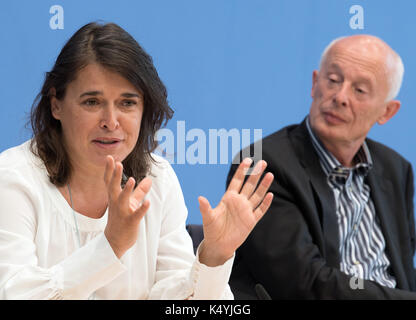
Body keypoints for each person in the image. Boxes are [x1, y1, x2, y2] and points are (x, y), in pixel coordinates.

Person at [0, 22, 274, 300]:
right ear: (56, 104)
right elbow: (13, 293)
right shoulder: (13, 179)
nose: (110, 121)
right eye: (92, 102)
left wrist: (214, 257)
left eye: (127, 103)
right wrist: (111, 246)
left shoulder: (157, 178)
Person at [227, 35, 416, 299]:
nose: (340, 97)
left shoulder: (396, 169)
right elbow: (303, 282)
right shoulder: (264, 164)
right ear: (315, 83)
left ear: (387, 112)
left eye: (359, 90)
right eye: (333, 80)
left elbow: (404, 271)